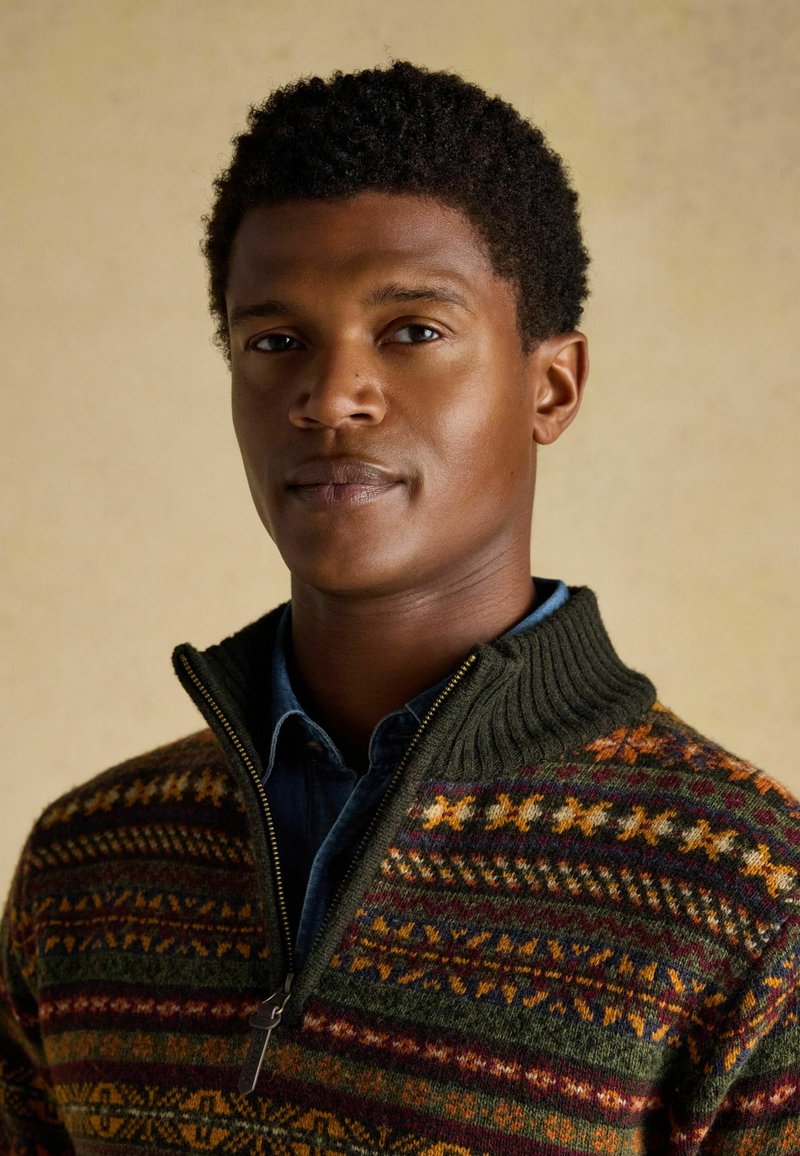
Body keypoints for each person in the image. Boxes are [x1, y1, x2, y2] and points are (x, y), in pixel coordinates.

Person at [1, 61, 798, 1156]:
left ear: (552, 385)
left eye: (413, 330)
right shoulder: (86, 859)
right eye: (274, 341)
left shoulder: (749, 897)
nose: (329, 396)